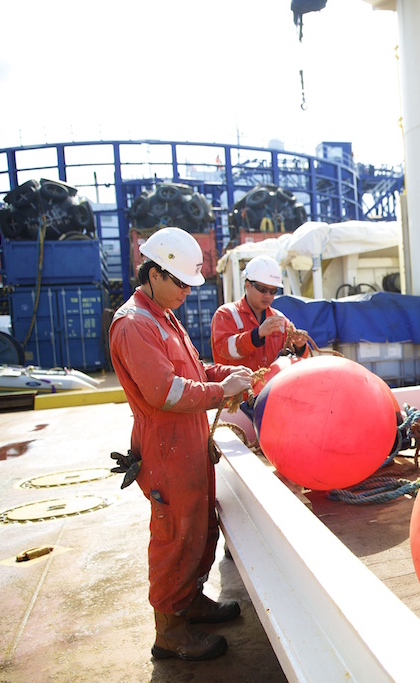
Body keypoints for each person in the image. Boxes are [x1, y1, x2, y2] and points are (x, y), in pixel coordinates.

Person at [109, 227, 254, 661]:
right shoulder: (135, 324)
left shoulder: (162, 317)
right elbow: (164, 391)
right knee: (175, 536)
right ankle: (169, 630)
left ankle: (189, 601)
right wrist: (219, 391)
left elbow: (188, 369)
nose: (186, 293)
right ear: (153, 273)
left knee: (200, 529)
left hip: (186, 442)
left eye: (191, 285)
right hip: (166, 449)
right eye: (180, 283)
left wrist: (222, 375)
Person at [210, 254, 310, 370]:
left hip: (270, 387)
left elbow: (297, 358)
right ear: (247, 285)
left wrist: (299, 346)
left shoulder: (279, 319)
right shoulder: (226, 314)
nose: (268, 296)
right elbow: (225, 349)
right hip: (237, 387)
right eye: (262, 289)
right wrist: (257, 334)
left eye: (273, 291)